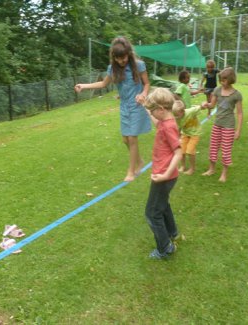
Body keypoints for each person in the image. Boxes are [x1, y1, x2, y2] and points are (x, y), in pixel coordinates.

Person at [74, 36, 151, 182]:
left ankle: (131, 171)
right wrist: (84, 86)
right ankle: (139, 161)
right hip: (124, 106)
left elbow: (147, 84)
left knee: (132, 138)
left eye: (125, 57)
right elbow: (103, 84)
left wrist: (143, 94)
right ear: (114, 57)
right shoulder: (112, 69)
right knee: (125, 140)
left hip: (137, 104)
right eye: (119, 58)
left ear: (129, 53)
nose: (122, 61)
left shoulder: (139, 65)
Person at [143, 87, 182, 259]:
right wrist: (145, 108)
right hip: (165, 175)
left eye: (153, 110)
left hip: (163, 177)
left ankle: (165, 248)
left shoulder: (169, 127)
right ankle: (172, 232)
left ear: (161, 109)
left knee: (152, 213)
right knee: (163, 205)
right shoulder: (165, 122)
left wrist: (165, 175)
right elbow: (157, 122)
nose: (153, 113)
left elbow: (179, 152)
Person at [201, 67, 243, 182]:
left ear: (230, 79)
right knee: (213, 147)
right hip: (217, 124)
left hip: (229, 126)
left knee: (226, 150)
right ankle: (212, 169)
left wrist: (238, 130)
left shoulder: (236, 95)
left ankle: (224, 173)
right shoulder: (217, 90)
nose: (221, 82)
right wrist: (206, 104)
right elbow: (212, 105)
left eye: (224, 80)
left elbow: (239, 113)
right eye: (221, 80)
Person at [172, 100, 208, 175]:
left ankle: (192, 169)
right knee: (182, 151)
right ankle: (183, 166)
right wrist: (177, 138)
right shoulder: (176, 118)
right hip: (185, 134)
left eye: (177, 115)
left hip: (195, 134)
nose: (176, 117)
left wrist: (203, 104)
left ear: (182, 111)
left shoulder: (190, 111)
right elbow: (178, 128)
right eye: (175, 115)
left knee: (190, 151)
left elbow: (200, 107)